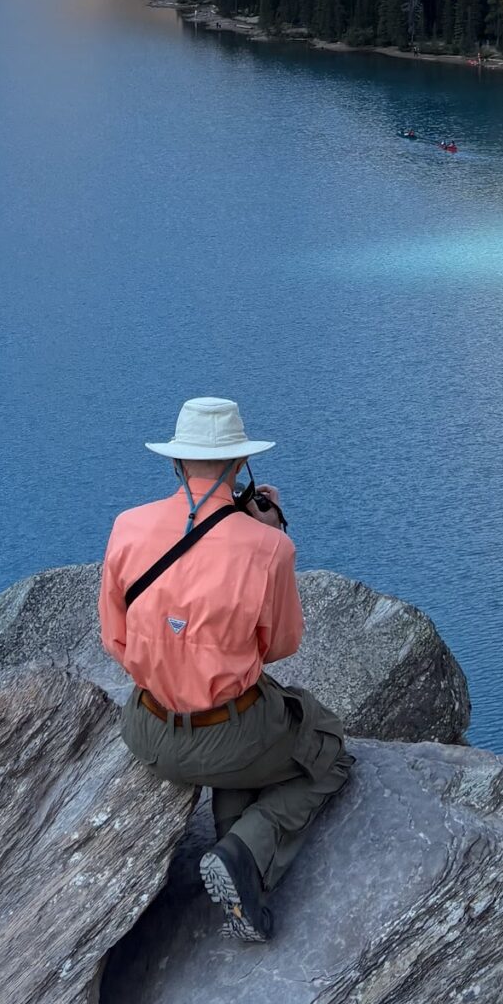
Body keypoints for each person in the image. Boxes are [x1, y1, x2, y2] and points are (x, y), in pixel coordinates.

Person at [99, 395, 353, 943]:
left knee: (249, 729)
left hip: (145, 730)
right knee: (327, 747)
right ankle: (244, 850)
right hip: (226, 740)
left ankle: (237, 868)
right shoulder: (268, 549)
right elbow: (281, 645)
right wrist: (270, 532)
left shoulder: (127, 527)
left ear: (176, 462)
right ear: (241, 466)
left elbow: (115, 639)